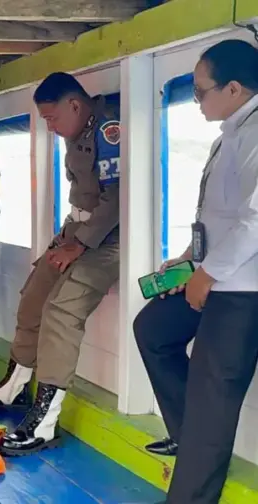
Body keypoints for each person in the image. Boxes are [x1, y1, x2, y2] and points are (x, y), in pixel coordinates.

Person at [0, 73, 121, 456]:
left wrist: (79, 246)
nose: (49, 128)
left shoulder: (108, 129)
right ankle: (13, 387)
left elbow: (117, 198)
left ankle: (45, 420)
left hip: (110, 240)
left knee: (60, 311)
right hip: (76, 231)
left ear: (75, 105)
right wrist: (69, 240)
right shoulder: (75, 134)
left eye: (52, 119)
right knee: (33, 297)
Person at [133, 39, 258, 504]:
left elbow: (255, 221)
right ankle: (191, 441)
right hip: (210, 274)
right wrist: (190, 260)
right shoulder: (229, 133)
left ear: (233, 88)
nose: (196, 98)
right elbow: (216, 216)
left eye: (201, 90)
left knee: (213, 397)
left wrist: (209, 274)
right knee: (152, 330)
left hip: (244, 289)